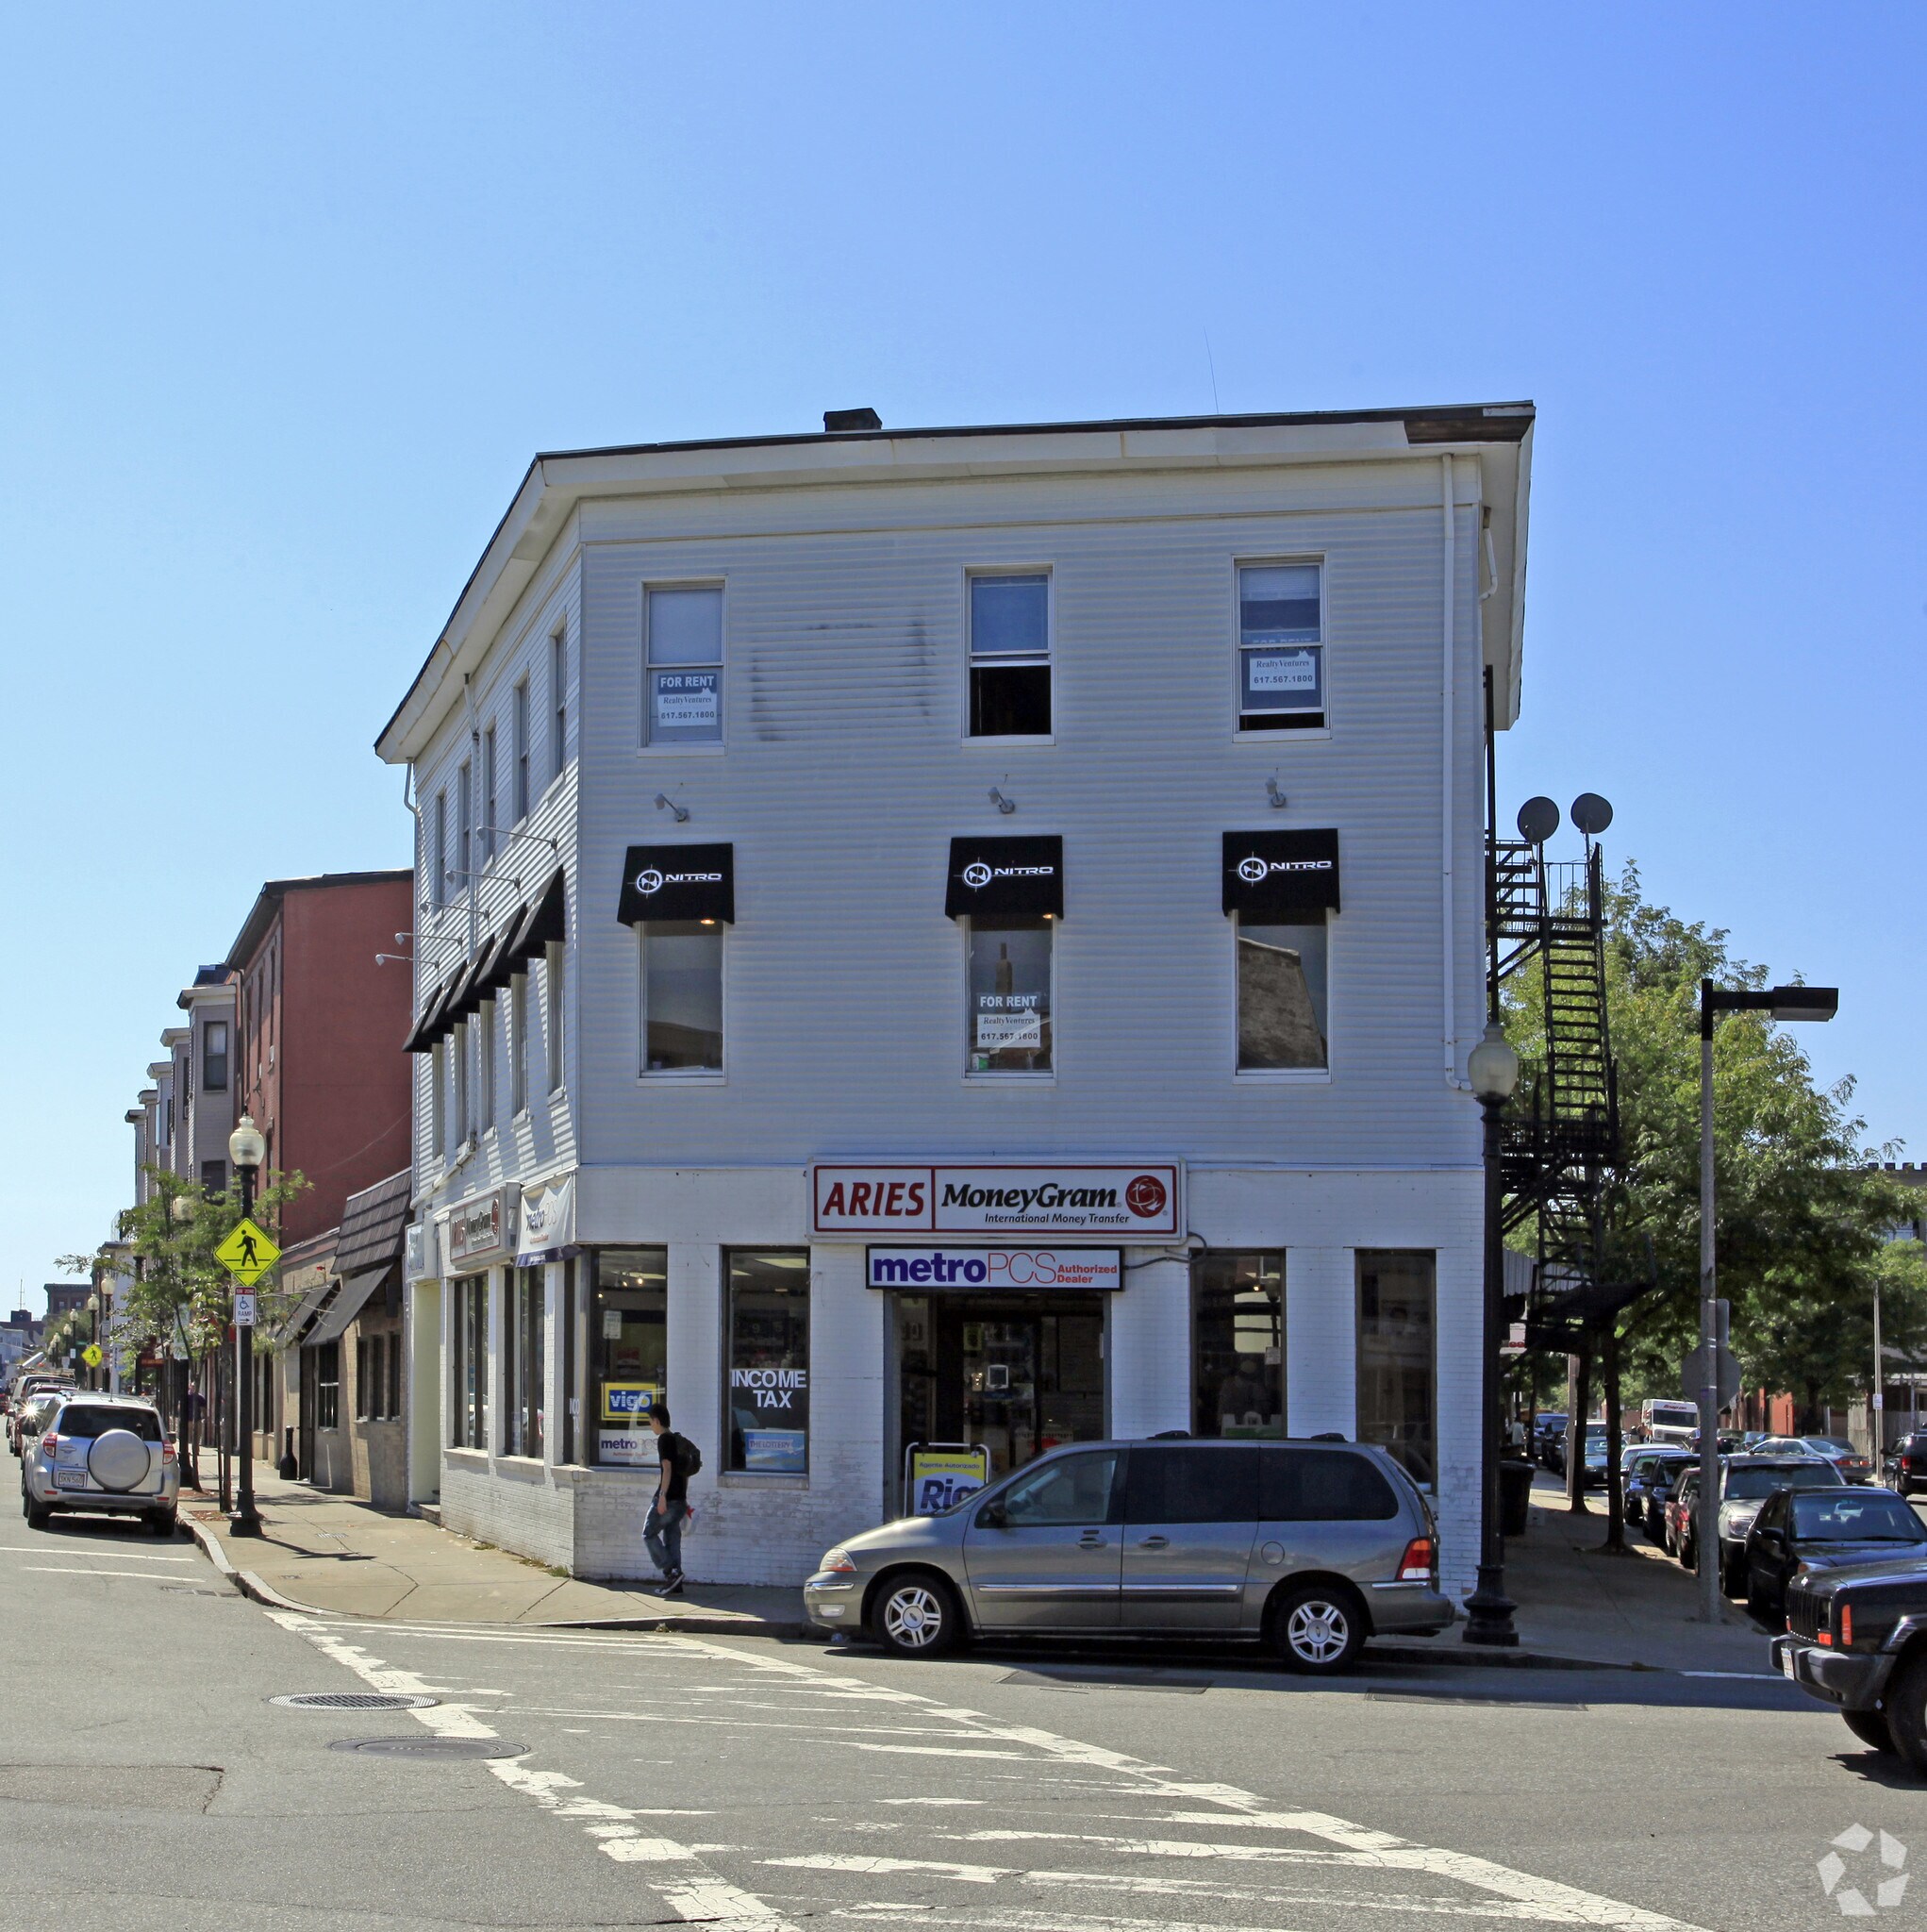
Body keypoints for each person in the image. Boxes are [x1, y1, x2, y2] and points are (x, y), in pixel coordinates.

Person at [645, 1407, 690, 1595]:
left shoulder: (664, 1439)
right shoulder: (675, 1439)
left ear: (657, 1420)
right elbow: (682, 1472)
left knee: (648, 1534)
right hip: (679, 1498)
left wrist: (662, 1497)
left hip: (668, 1498)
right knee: (672, 1539)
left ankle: (670, 1569)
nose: (650, 1426)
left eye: (650, 1422)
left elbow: (667, 1468)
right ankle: (675, 1582)